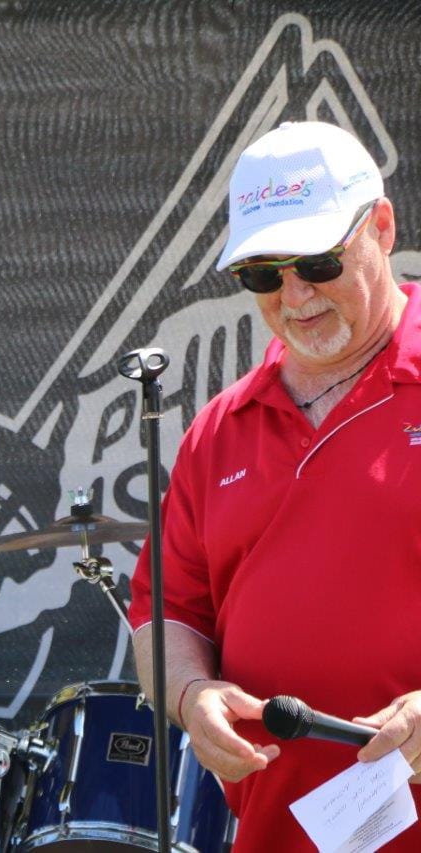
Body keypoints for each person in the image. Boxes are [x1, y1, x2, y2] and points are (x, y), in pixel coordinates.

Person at [129, 121, 421, 849]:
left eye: (317, 261)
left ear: (380, 228)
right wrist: (190, 694)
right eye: (262, 273)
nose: (294, 295)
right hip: (273, 831)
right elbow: (164, 612)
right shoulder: (219, 429)